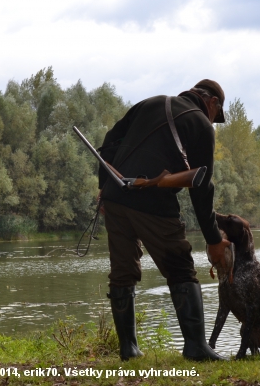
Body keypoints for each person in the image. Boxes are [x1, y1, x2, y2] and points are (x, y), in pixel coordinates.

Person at [98, 79, 231, 361]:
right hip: (152, 202)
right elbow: (202, 187)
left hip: (115, 198)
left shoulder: (150, 103)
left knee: (123, 271)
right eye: (215, 116)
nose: (213, 121)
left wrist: (104, 186)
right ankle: (195, 346)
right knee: (181, 267)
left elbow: (108, 144)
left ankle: (128, 349)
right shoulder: (200, 124)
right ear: (212, 103)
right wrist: (214, 240)